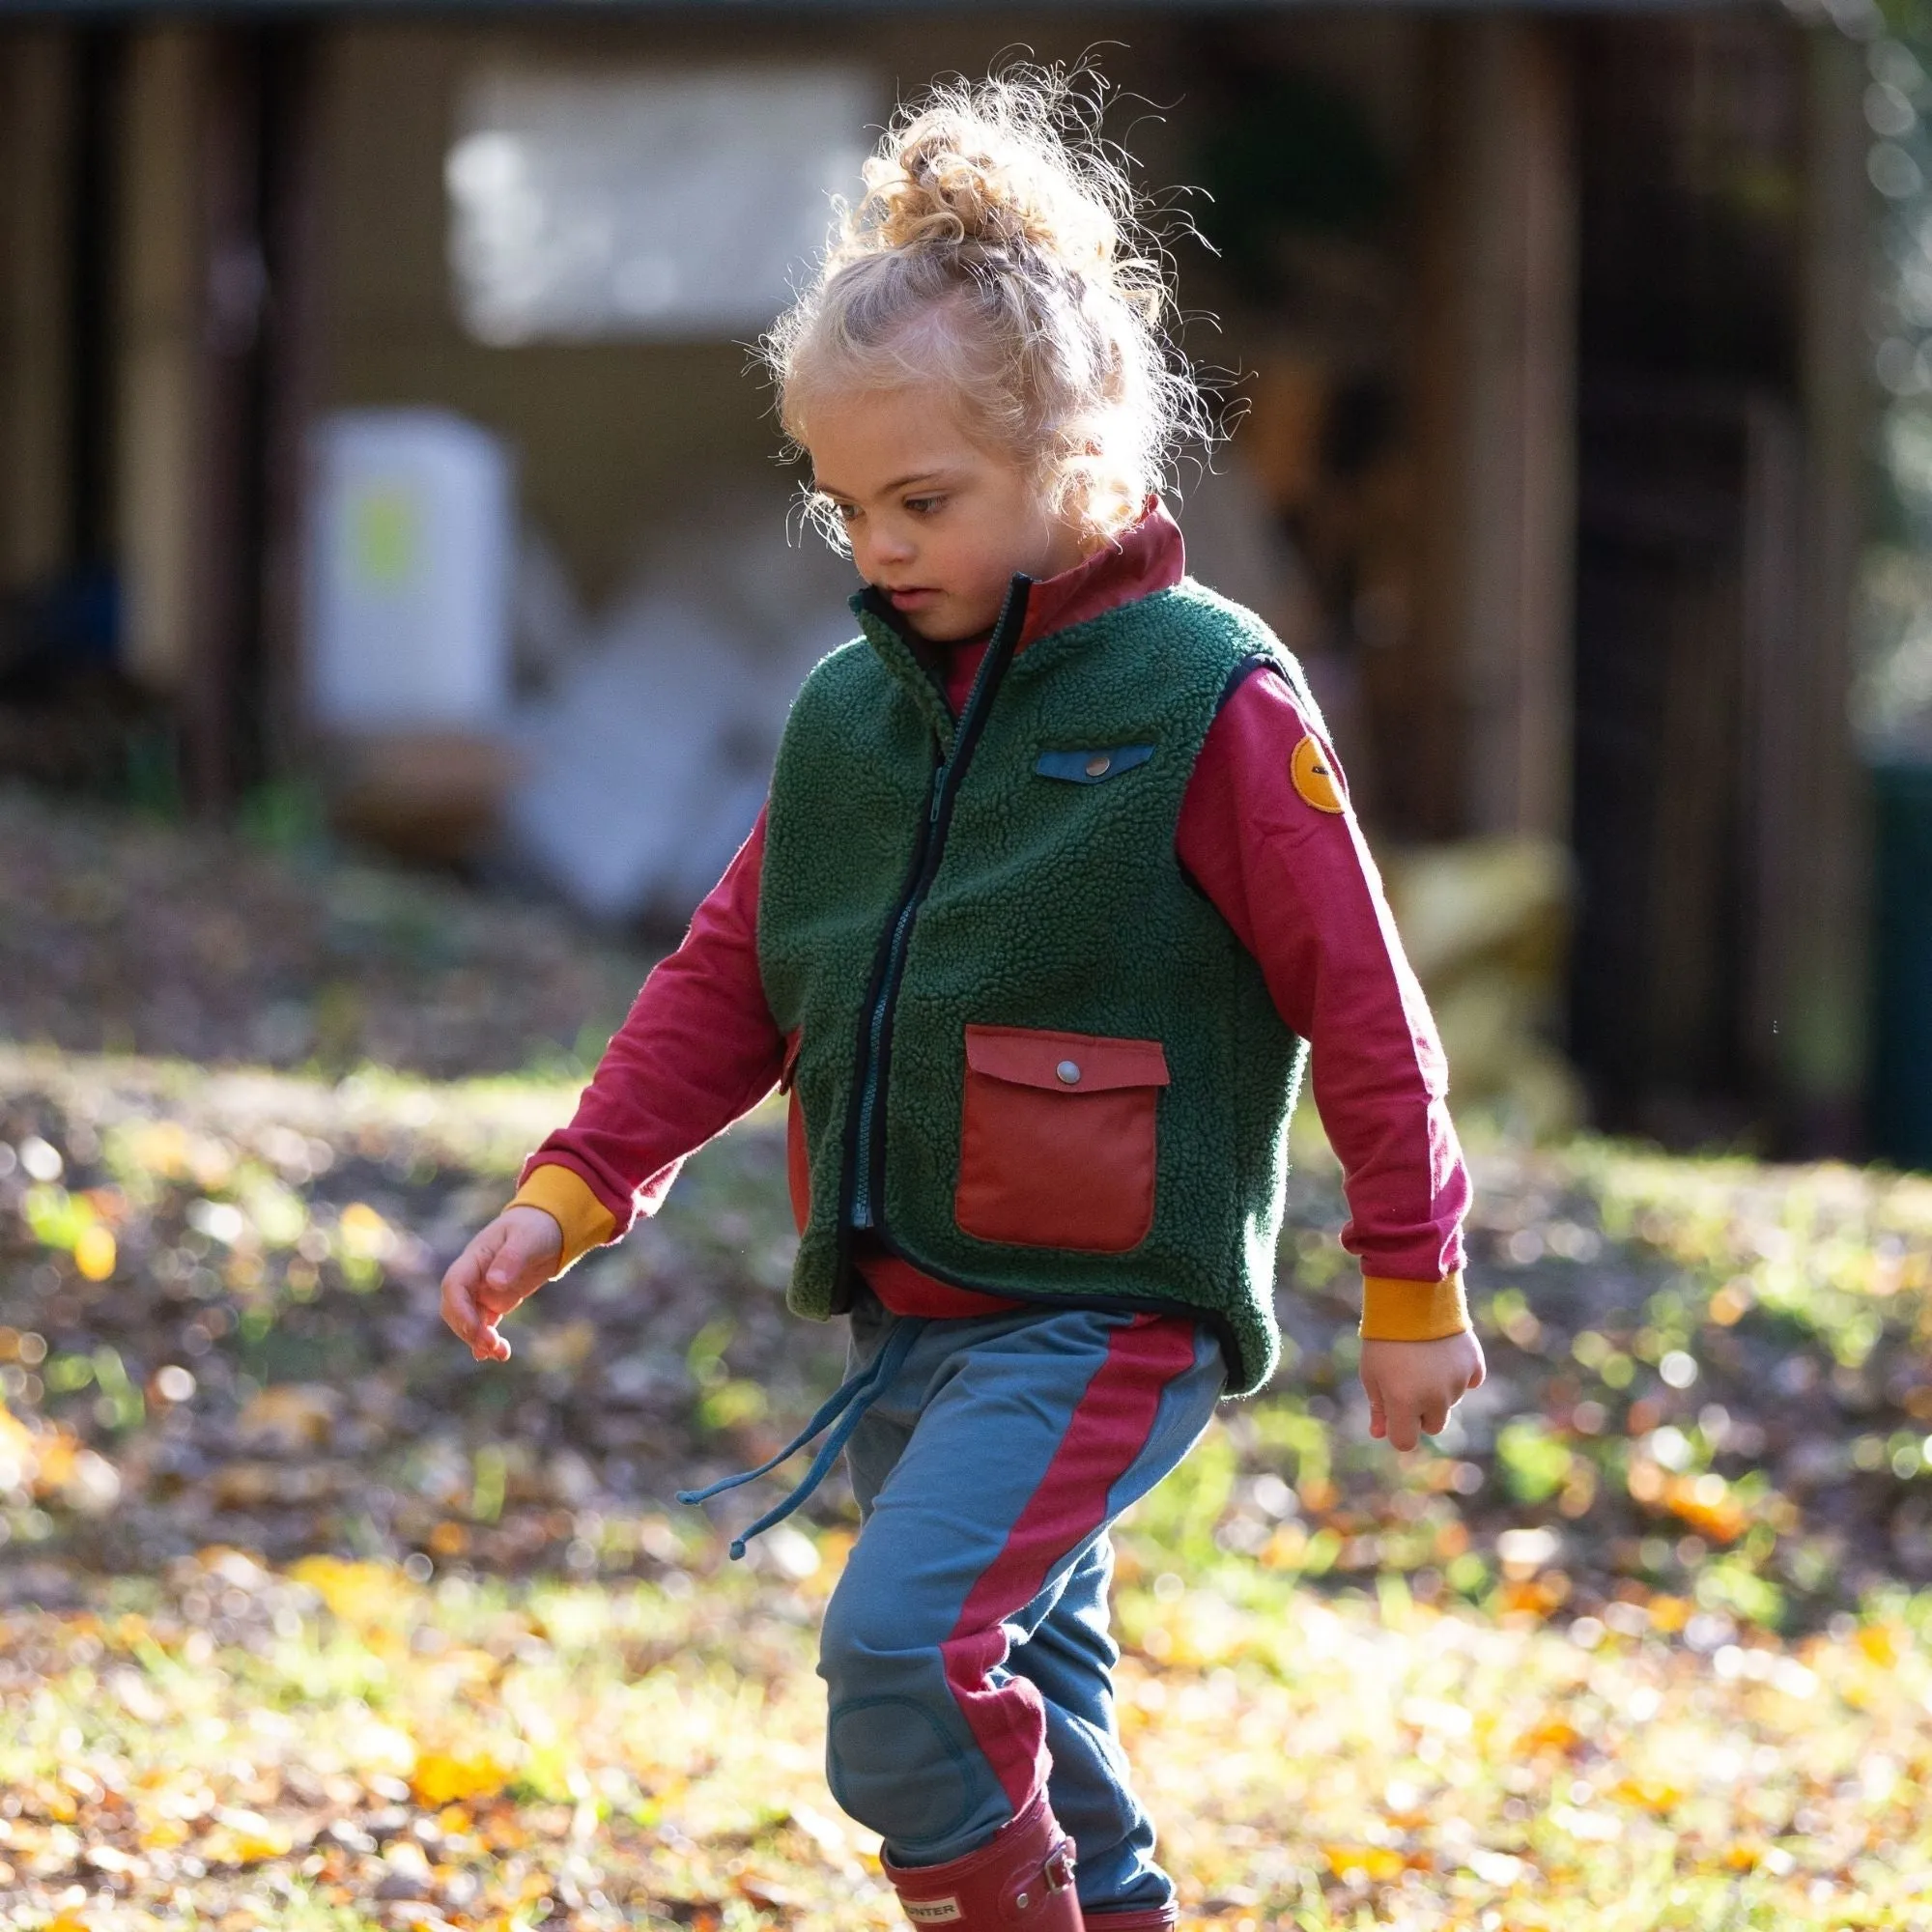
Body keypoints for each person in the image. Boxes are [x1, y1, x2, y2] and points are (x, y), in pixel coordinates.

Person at [440, 70, 1485, 1932]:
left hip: (1098, 1317)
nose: (881, 550)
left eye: (926, 499)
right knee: (1048, 1712)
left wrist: (1410, 1282)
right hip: (909, 1315)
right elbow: (734, 972)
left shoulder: (1209, 700)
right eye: (848, 508)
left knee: (904, 1661)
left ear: (1076, 456)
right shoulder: (852, 710)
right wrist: (573, 1188)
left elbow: (1369, 1005)